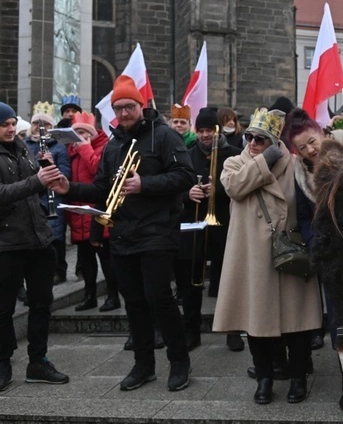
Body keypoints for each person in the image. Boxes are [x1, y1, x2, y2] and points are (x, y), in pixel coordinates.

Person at [50, 75, 195, 392]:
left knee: (160, 298)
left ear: (141, 106)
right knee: (134, 302)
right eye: (119, 108)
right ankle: (144, 365)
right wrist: (69, 188)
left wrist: (145, 184)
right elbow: (103, 188)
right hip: (124, 234)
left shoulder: (165, 136)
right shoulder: (115, 144)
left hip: (158, 232)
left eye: (130, 106)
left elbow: (185, 176)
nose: (125, 113)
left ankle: (179, 361)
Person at [212, 104, 322, 405]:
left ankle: (298, 378)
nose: (252, 143)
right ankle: (265, 379)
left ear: (275, 141)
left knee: (297, 325)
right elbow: (234, 188)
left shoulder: (296, 165)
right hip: (252, 258)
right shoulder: (234, 163)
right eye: (249, 136)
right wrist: (265, 160)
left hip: (290, 254)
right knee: (257, 326)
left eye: (260, 139)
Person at [286, 107, 343, 411]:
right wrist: (316, 241)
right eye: (302, 147)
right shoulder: (302, 177)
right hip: (330, 254)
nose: (310, 150)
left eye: (312, 141)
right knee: (337, 318)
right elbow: (304, 217)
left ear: (322, 134)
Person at [0, 102, 69, 391]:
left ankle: (38, 360)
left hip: (39, 239)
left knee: (42, 304)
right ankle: (3, 363)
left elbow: (33, 187)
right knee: (3, 309)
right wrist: (36, 180)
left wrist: (47, 172)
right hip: (7, 243)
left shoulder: (23, 148)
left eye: (13, 123)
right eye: (4, 124)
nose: (11, 128)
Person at [176, 107, 241, 352]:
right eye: (201, 130)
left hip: (224, 224)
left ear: (217, 129)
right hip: (194, 225)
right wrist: (187, 194)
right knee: (191, 283)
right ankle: (191, 330)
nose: (205, 135)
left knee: (229, 279)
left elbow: (243, 185)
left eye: (209, 130)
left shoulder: (234, 154)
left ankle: (233, 330)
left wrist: (220, 191)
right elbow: (175, 185)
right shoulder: (186, 154)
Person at [65, 111, 120, 312]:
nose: (80, 136)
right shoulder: (71, 152)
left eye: (84, 132)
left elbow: (99, 171)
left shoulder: (103, 147)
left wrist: (86, 149)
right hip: (79, 213)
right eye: (76, 132)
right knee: (85, 260)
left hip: (98, 210)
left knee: (106, 258)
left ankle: (113, 296)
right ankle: (90, 295)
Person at [25, 112, 71, 285]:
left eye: (45, 123)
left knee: (56, 237)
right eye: (36, 123)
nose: (40, 127)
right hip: (31, 198)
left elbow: (65, 173)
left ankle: (59, 271)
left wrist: (49, 167)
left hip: (53, 198)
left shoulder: (59, 147)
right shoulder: (24, 145)